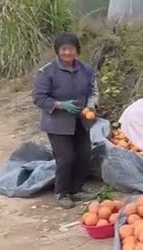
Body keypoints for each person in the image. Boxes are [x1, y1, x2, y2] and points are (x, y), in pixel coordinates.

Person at [31, 32, 99, 209]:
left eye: (71, 49)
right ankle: (62, 193)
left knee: (84, 156)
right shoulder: (47, 72)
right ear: (57, 51)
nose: (68, 53)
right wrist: (61, 105)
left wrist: (91, 106)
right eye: (64, 49)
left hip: (81, 120)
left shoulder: (85, 69)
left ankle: (77, 189)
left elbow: (93, 91)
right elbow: (39, 97)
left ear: (77, 50)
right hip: (58, 123)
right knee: (66, 158)